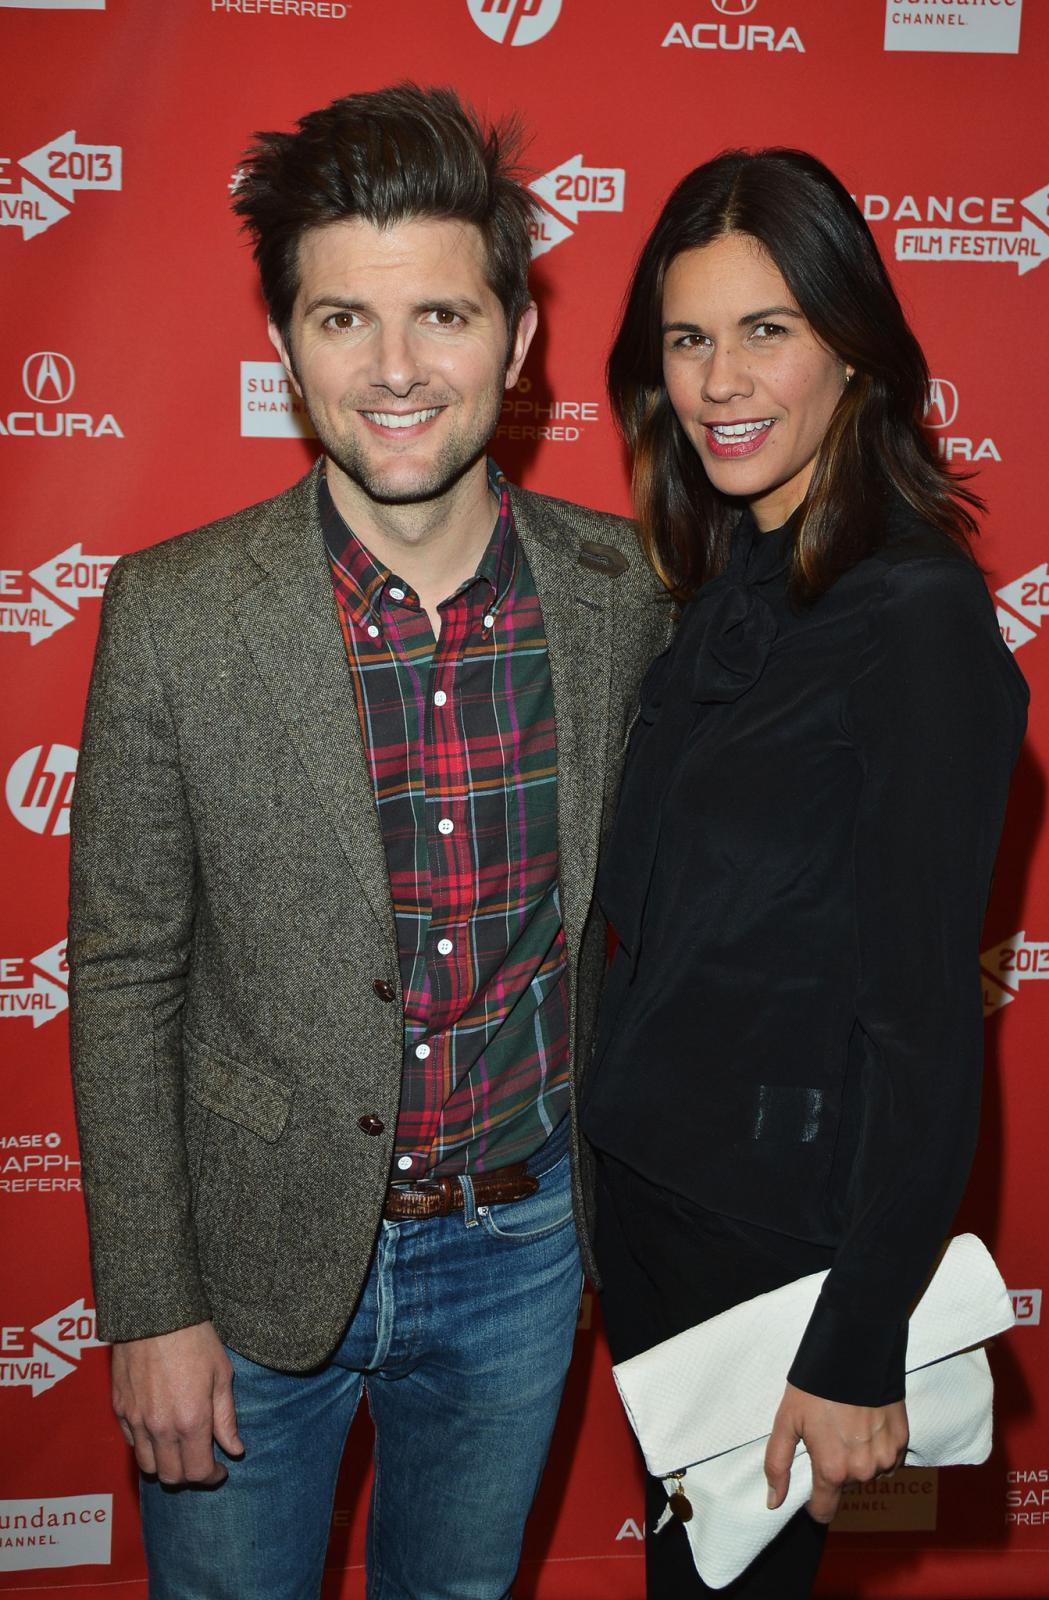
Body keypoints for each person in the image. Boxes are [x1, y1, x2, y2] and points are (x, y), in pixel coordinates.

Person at [67, 84, 668, 1600]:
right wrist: (149, 1304)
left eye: (442, 317)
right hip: (245, 1266)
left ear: (518, 341)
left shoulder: (625, 596)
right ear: (286, 346)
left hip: (521, 1256)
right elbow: (125, 976)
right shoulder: (174, 611)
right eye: (343, 319)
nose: (395, 370)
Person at [579, 147, 1029, 1599]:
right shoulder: (727, 583)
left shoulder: (916, 617)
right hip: (648, 1212)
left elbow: (922, 1016)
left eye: (765, 330)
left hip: (779, 1250)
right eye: (688, 338)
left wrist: (858, 1339)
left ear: (853, 347)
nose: (720, 380)